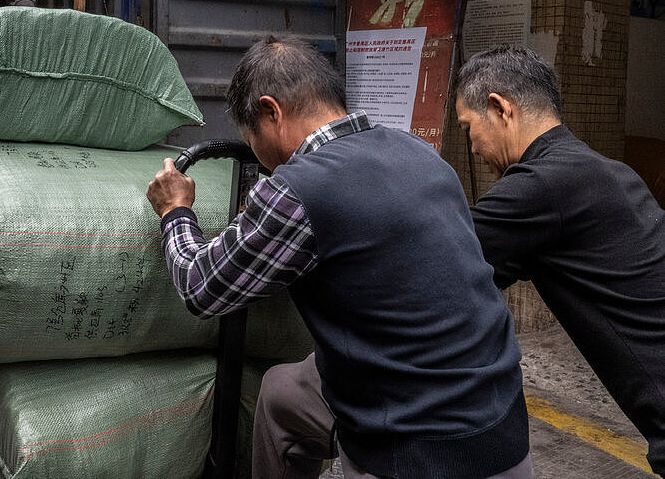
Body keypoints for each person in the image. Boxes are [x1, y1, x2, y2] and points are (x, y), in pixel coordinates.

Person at [147, 36, 531, 479]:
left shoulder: (299, 188)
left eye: (250, 137)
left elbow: (202, 287)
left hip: (419, 451)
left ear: (272, 113)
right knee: (282, 393)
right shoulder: (421, 155)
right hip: (503, 423)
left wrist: (176, 211)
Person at [455, 44, 665, 475]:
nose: (472, 147)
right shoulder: (606, 170)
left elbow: (441, 261)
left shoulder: (540, 187)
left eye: (468, 126)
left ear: (499, 109)